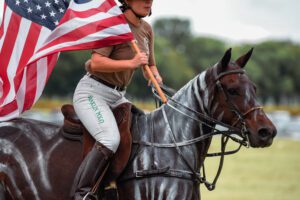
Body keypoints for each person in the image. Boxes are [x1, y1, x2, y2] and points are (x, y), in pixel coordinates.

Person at [71, 0, 162, 199]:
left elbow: (150, 65)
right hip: (92, 93)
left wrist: (155, 76)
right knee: (109, 139)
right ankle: (82, 192)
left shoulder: (146, 29)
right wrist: (131, 63)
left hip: (118, 96)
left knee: (143, 132)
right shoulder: (112, 25)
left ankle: (112, 185)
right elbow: (95, 63)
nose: (149, 2)